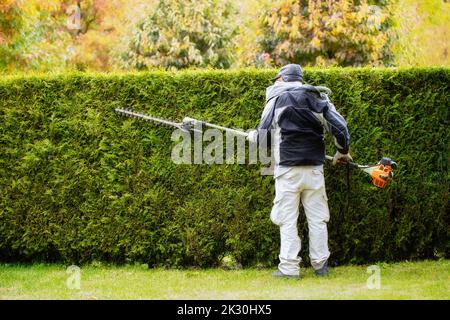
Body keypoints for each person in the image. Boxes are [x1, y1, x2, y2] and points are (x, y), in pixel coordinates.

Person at [247, 64, 351, 278]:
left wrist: (252, 136)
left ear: (283, 79)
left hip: (287, 171)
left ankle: (289, 269)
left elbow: (264, 137)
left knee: (286, 219)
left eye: (277, 79)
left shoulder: (275, 100)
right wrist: (342, 151)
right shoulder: (317, 97)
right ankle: (321, 265)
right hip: (314, 170)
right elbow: (340, 128)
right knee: (317, 218)